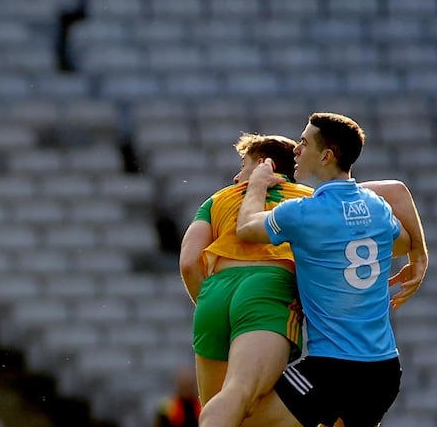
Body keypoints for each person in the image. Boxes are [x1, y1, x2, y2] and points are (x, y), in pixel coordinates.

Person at [181, 133, 427, 427]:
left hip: (214, 293)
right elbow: (394, 195)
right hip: (270, 291)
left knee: (221, 405)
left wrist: (208, 300)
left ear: (264, 164)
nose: (236, 176)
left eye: (243, 166)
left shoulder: (216, 199)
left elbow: (188, 263)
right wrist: (419, 254)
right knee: (239, 401)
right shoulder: (309, 201)